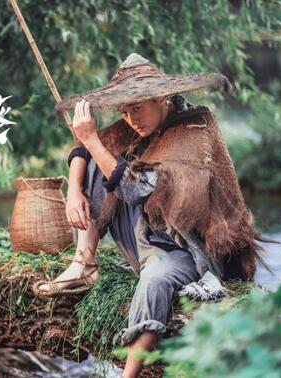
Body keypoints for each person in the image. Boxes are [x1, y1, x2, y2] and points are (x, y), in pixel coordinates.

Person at [31, 53, 266, 378]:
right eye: (124, 112)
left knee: (154, 280)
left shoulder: (193, 130)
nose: (131, 120)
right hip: (142, 239)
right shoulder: (137, 126)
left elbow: (136, 189)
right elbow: (84, 149)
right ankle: (83, 262)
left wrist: (91, 140)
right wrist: (73, 189)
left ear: (161, 97)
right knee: (98, 158)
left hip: (184, 250)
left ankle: (129, 374)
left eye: (137, 108)